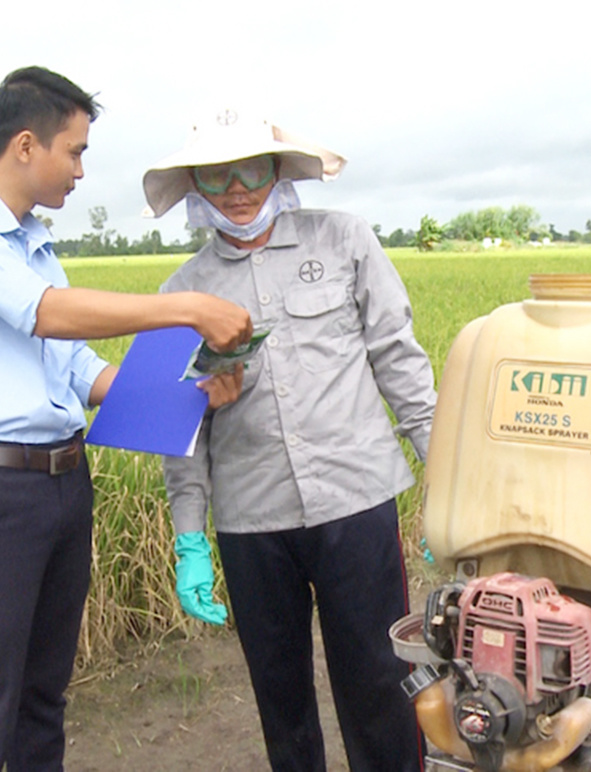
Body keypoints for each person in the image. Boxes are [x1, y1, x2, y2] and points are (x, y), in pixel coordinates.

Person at [0, 67, 251, 772]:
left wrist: (191, 394)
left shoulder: (36, 243)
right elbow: (43, 314)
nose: (83, 170)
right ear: (26, 145)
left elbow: (80, 373)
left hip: (62, 485)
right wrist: (188, 307)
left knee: (42, 702)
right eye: (76, 151)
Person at [143, 109, 436, 772]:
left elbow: (399, 361)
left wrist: (443, 476)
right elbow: (179, 427)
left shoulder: (344, 241)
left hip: (355, 499)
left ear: (278, 170)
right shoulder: (180, 292)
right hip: (252, 520)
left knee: (380, 686)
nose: (237, 188)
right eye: (217, 176)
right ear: (196, 186)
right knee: (281, 701)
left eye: (251, 168)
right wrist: (190, 537)